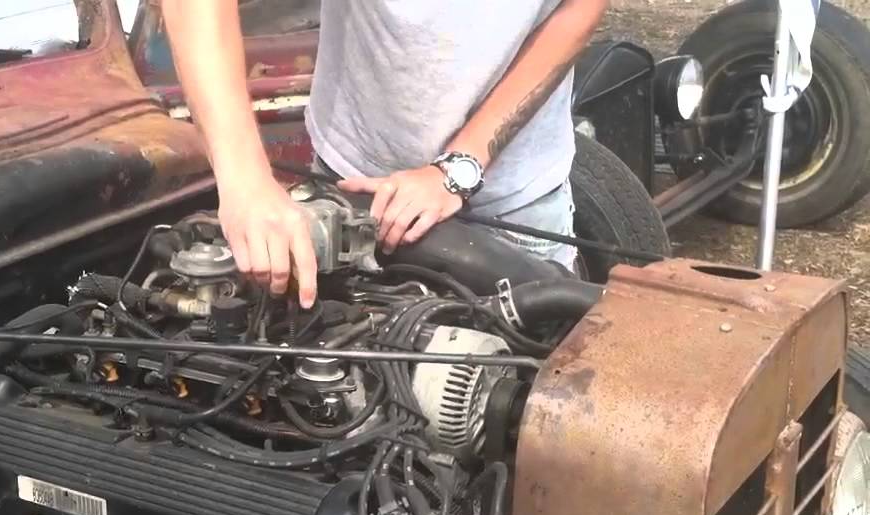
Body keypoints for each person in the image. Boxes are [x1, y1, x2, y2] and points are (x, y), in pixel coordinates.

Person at [159, 0, 611, 309]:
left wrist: (462, 165)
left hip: (513, 210)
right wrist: (246, 183)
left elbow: (579, 7)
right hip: (346, 194)